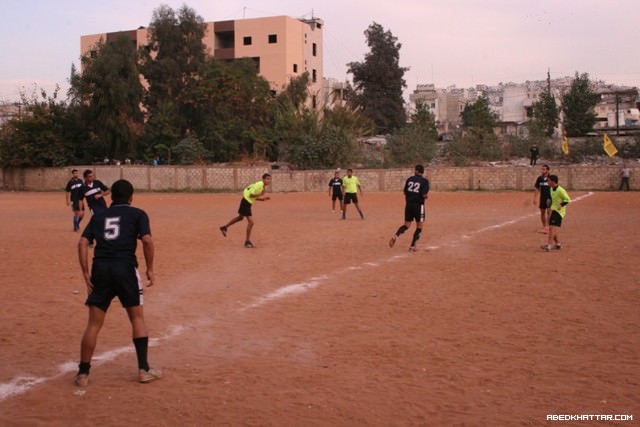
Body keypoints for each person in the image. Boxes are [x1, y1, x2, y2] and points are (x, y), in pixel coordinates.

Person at [75, 179, 160, 387]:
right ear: (131, 197)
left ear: (111, 197)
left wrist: (86, 273)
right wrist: (149, 268)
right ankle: (143, 370)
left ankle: (83, 374)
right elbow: (147, 240)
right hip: (125, 268)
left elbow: (83, 242)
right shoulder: (138, 214)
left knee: (93, 324)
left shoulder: (99, 216)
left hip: (101, 269)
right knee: (137, 318)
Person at [219, 173, 272, 248]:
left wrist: (261, 199)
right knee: (251, 223)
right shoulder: (260, 185)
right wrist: (260, 195)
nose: (269, 181)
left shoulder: (261, 186)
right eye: (267, 179)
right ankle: (247, 241)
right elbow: (251, 195)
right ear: (263, 179)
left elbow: (251, 195)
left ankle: (224, 227)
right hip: (246, 202)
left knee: (240, 217)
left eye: (270, 179)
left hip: (246, 201)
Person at [389, 164, 430, 252]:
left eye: (415, 170)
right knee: (419, 226)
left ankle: (396, 235)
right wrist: (426, 196)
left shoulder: (410, 179)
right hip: (419, 206)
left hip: (408, 205)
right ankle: (412, 246)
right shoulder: (425, 181)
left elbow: (404, 192)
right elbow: (424, 195)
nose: (414, 171)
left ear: (417, 171)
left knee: (406, 225)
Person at [541, 174, 570, 252]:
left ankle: (549, 245)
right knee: (552, 228)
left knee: (551, 228)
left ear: (553, 181)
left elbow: (567, 200)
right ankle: (557, 244)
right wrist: (549, 201)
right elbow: (552, 198)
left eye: (549, 181)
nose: (547, 182)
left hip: (559, 212)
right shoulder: (551, 189)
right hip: (553, 210)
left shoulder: (560, 190)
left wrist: (561, 205)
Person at [533, 164, 551, 234]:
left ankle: (548, 227)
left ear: (548, 170)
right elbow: (537, 188)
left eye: (544, 169)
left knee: (549, 212)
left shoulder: (551, 178)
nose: (542, 171)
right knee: (542, 212)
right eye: (542, 169)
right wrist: (535, 198)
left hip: (550, 198)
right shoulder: (539, 179)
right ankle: (544, 226)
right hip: (542, 198)